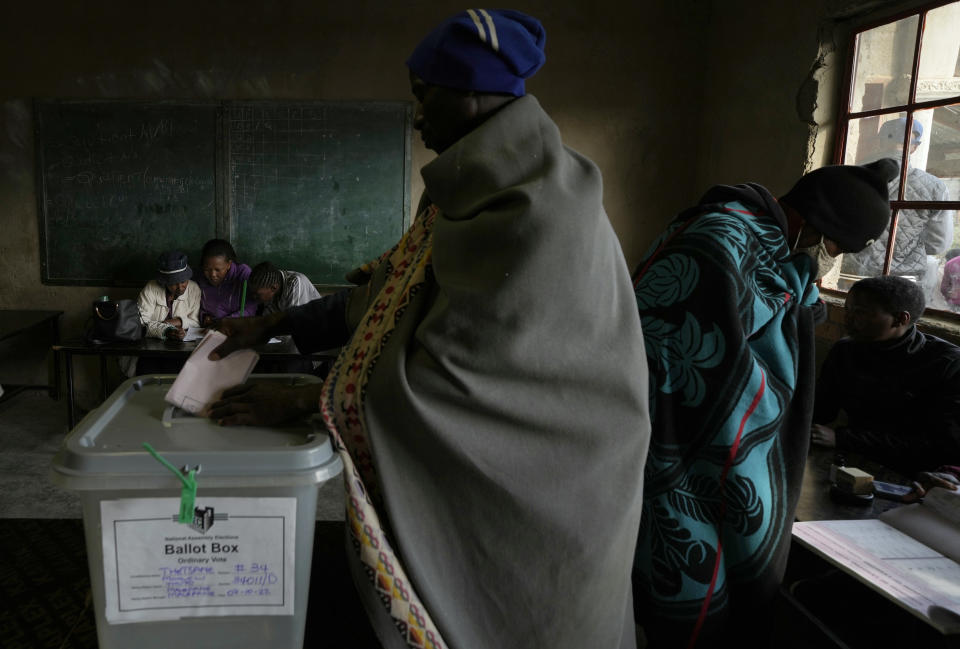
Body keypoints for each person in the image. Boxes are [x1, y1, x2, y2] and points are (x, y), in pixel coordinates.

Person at [207, 10, 650, 649]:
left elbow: (470, 390)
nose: (416, 117)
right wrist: (272, 324)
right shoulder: (461, 196)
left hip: (552, 481)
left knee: (528, 618)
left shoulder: (542, 213)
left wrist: (316, 399)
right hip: (508, 464)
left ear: (472, 95)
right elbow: (389, 298)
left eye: (425, 96)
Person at [631, 158, 898, 648]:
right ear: (813, 222)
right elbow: (677, 353)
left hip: (677, 422)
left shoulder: (759, 242)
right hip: (669, 429)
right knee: (691, 562)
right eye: (832, 243)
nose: (828, 255)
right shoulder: (718, 237)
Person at [811, 275, 960, 476]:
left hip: (917, 476)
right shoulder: (846, 351)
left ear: (900, 319)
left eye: (860, 313)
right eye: (848, 310)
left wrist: (843, 438)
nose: (848, 319)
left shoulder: (947, 365)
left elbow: (943, 448)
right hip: (853, 464)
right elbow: (820, 409)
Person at [843, 118, 954, 287]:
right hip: (903, 281)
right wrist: (904, 249)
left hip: (852, 274)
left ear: (881, 142)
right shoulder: (936, 187)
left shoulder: (850, 176)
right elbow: (939, 244)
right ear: (914, 148)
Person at [120, 250, 201, 376]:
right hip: (151, 351)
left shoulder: (194, 289)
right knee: (148, 378)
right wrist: (166, 330)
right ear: (164, 281)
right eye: (174, 283)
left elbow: (196, 322)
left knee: (179, 377)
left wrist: (175, 322)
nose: (181, 287)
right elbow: (141, 323)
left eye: (184, 281)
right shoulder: (151, 288)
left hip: (181, 352)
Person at [196, 239, 257, 325]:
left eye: (218, 270)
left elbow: (251, 308)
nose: (213, 274)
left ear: (229, 264)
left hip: (237, 326)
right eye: (207, 269)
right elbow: (194, 306)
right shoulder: (199, 276)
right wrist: (205, 316)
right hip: (209, 329)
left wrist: (226, 321)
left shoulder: (243, 274)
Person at [248, 262, 321, 315]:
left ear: (274, 288)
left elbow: (294, 326)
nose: (253, 297)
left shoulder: (296, 283)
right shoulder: (271, 284)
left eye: (257, 294)